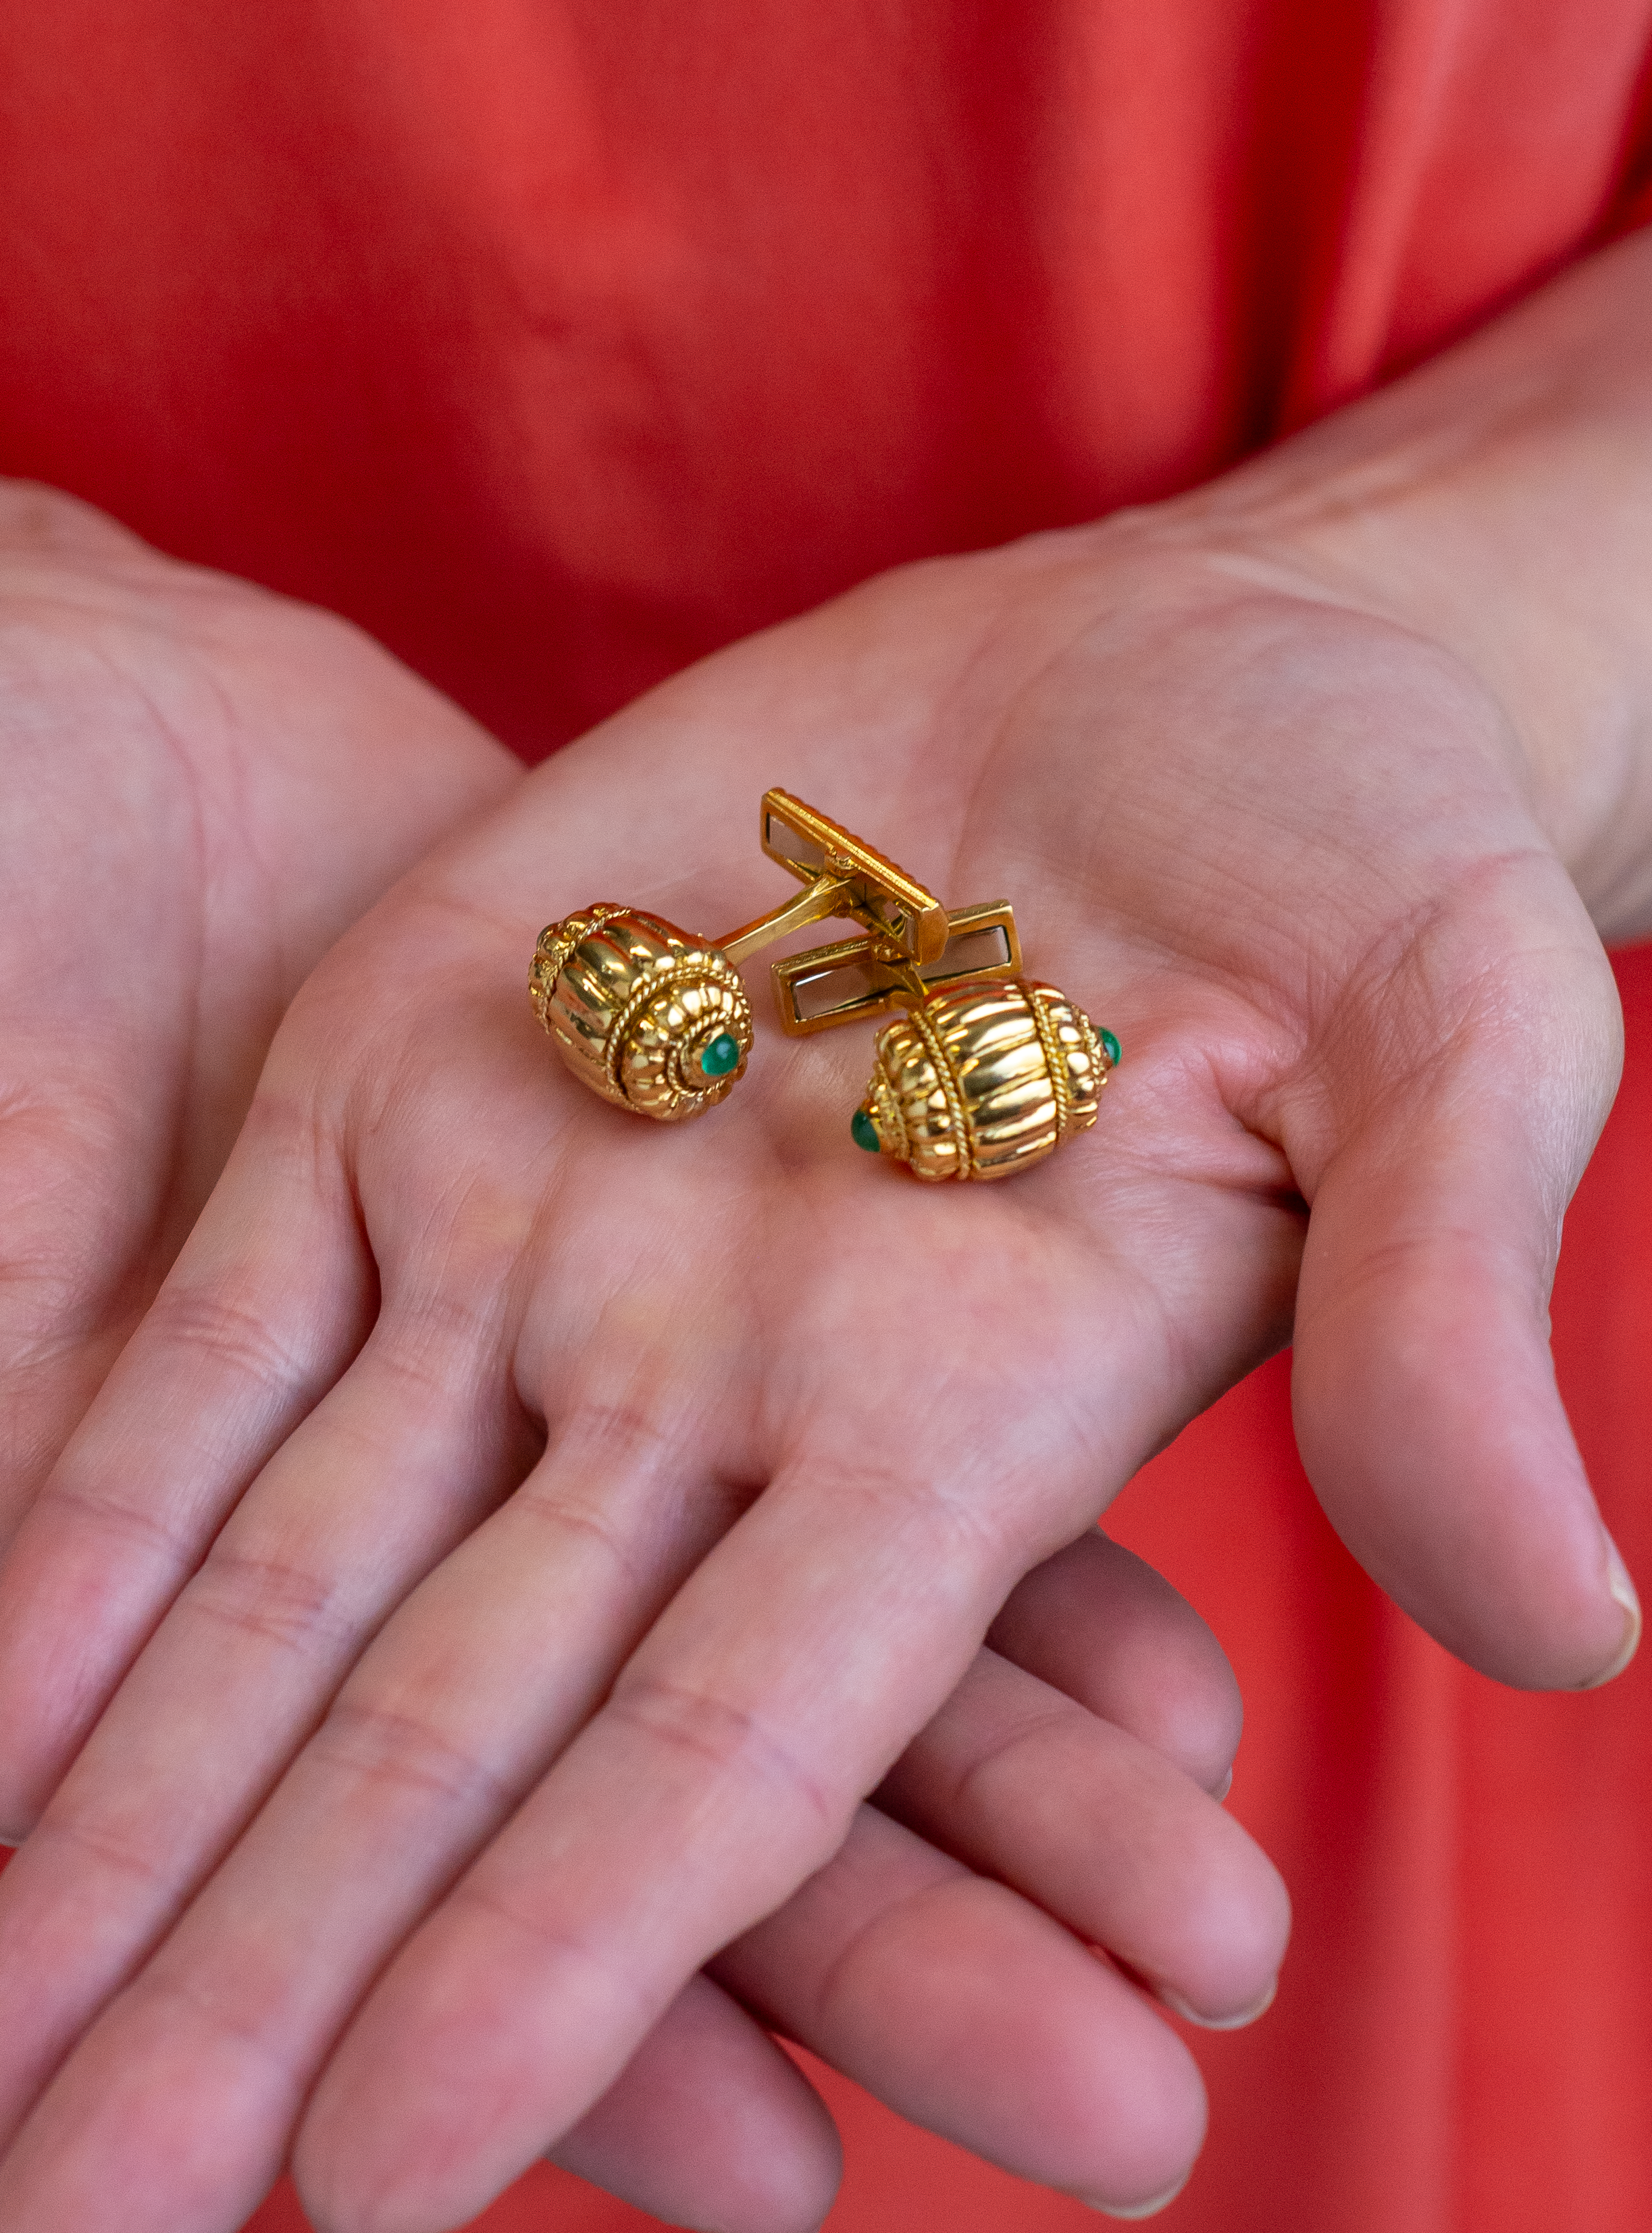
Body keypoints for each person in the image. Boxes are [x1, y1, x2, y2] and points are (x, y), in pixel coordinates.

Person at [0, 7, 1649, 2230]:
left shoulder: (936, 1047)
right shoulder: (769, 1020)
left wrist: (1460, 600)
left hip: (1236, 1273)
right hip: (171, 1164)